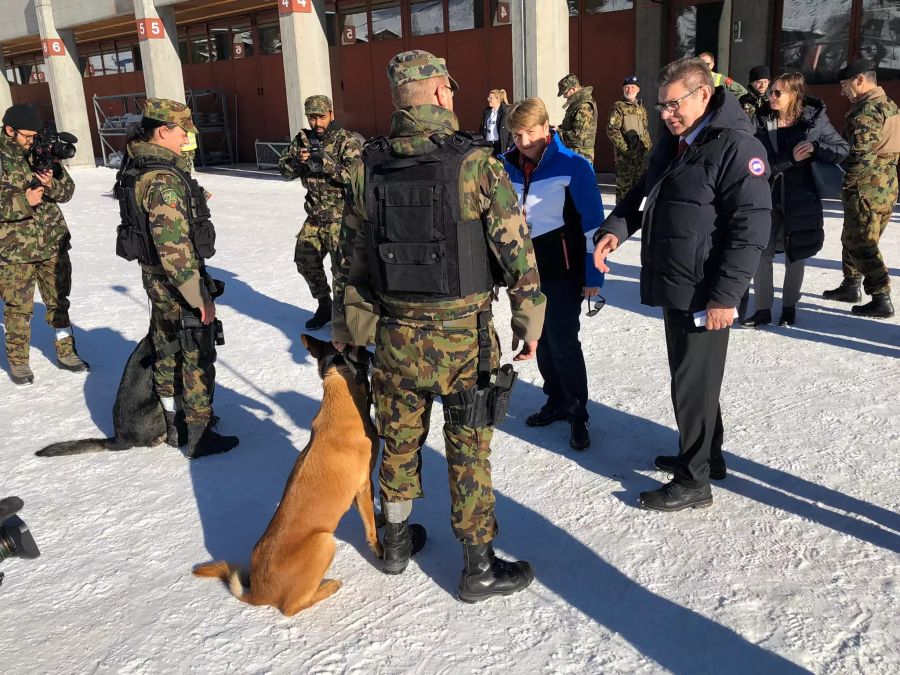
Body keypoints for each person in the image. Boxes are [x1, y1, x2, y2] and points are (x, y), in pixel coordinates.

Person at [331, 50, 546, 602]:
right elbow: (516, 250)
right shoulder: (475, 162)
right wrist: (530, 319)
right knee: (467, 447)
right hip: (462, 336)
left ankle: (396, 542)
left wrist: (350, 328)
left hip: (394, 336)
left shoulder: (366, 164)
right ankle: (477, 568)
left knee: (399, 440)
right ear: (440, 93)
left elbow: (350, 257)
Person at [593, 57, 771, 512]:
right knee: (693, 380)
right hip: (678, 281)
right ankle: (707, 455)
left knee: (693, 382)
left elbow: (750, 228)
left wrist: (725, 296)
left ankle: (694, 481)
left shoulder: (736, 146)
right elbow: (640, 193)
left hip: (706, 289)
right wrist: (616, 228)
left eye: (674, 105)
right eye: (661, 107)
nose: (667, 114)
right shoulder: (677, 143)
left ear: (704, 95)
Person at [116, 98, 238, 458]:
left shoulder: (141, 166)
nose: (186, 137)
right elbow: (175, 249)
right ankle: (198, 434)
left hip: (154, 279)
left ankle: (174, 426)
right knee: (197, 352)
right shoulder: (164, 180)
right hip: (176, 280)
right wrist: (199, 296)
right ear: (164, 130)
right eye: (182, 130)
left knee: (166, 348)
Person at [501, 97, 604, 451]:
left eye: (531, 132)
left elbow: (593, 225)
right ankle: (556, 399)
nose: (524, 141)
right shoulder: (504, 166)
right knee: (539, 337)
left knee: (562, 339)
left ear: (547, 128)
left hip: (562, 268)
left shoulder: (573, 165)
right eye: (517, 134)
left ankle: (578, 412)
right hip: (525, 269)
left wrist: (594, 275)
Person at [741, 73, 849, 328]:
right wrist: (790, 158)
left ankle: (789, 308)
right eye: (771, 92)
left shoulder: (814, 119)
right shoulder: (760, 119)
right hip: (767, 195)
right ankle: (762, 309)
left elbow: (843, 149)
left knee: (795, 254)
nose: (771, 97)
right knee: (761, 252)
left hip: (801, 197)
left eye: (778, 92)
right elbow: (755, 163)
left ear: (795, 95)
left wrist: (817, 149)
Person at [0, 104, 89, 385]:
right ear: (9, 130)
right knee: (18, 309)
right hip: (14, 250)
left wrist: (51, 185)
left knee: (59, 302)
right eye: (26, 136)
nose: (31, 141)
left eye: (34, 136)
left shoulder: (40, 150)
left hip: (51, 242)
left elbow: (68, 191)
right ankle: (19, 362)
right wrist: (24, 201)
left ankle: (66, 352)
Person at [822, 59, 900, 318]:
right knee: (853, 234)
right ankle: (851, 284)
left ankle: (881, 296)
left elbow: (861, 157)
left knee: (861, 243)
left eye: (845, 85)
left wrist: (844, 183)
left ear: (860, 80)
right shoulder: (889, 104)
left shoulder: (867, 111)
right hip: (886, 183)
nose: (842, 91)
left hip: (867, 186)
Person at [279, 95, 363, 330]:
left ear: (331, 114)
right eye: (312, 117)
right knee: (305, 261)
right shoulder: (302, 140)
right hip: (315, 216)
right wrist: (297, 161)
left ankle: (345, 317)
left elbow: (354, 178)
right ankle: (325, 304)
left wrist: (325, 163)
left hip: (341, 217)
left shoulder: (347, 141)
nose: (317, 123)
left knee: (342, 272)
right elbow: (284, 171)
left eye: (321, 117)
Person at [606, 75, 652, 202]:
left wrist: (647, 144)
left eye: (632, 87)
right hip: (625, 158)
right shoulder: (618, 107)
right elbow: (612, 130)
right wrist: (626, 149)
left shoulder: (641, 108)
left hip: (640, 156)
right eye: (626, 87)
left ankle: (637, 216)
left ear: (638, 90)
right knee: (624, 189)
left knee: (640, 187)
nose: (629, 90)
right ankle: (620, 218)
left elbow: (645, 128)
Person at [557, 73, 598, 165]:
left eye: (565, 93)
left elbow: (577, 137)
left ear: (573, 89)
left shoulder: (583, 106)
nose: (564, 96)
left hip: (580, 155)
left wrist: (558, 132)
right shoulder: (577, 103)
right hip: (575, 153)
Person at [481, 88, 511, 156]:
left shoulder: (505, 111)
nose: (489, 100)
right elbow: (481, 129)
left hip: (500, 145)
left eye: (491, 98)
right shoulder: (487, 112)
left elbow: (511, 129)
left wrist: (509, 144)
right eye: (488, 98)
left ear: (498, 100)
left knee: (500, 165)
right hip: (488, 145)